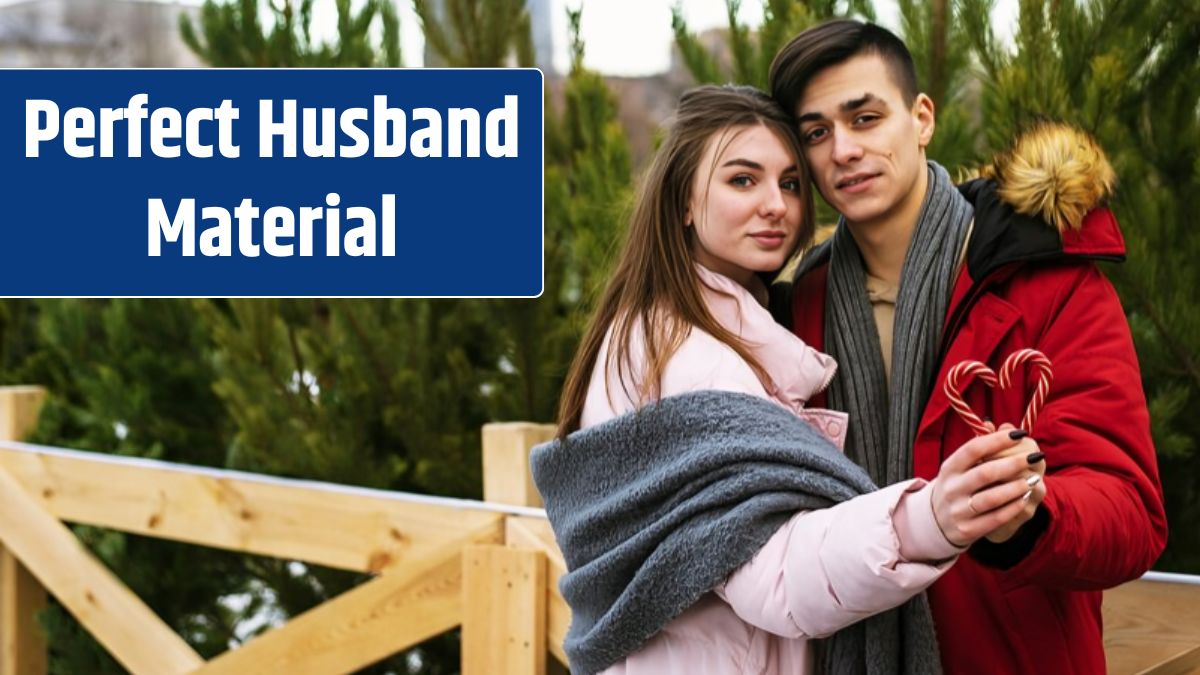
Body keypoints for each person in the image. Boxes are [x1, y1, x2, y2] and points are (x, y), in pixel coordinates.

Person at [531, 84, 1044, 675]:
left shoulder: (683, 330)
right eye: (742, 180)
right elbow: (772, 573)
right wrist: (930, 518)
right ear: (684, 204)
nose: (776, 204)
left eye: (790, 183)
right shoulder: (688, 358)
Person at [767, 19, 1167, 674]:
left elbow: (1131, 509)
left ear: (921, 118)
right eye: (816, 133)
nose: (842, 149)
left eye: (865, 118)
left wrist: (1032, 516)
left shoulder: (1040, 274)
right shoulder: (798, 304)